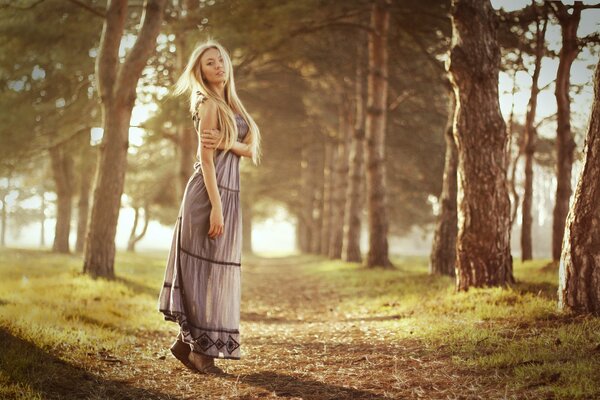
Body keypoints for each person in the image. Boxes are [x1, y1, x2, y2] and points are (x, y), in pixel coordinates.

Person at [157, 39, 261, 374]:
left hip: (228, 194)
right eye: (209, 64)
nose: (217, 67)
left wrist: (230, 142)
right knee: (205, 272)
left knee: (217, 271)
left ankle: (185, 345)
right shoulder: (207, 103)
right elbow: (206, 158)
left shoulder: (231, 103)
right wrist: (216, 207)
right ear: (200, 73)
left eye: (220, 61)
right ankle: (201, 352)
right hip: (208, 195)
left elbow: (252, 148)